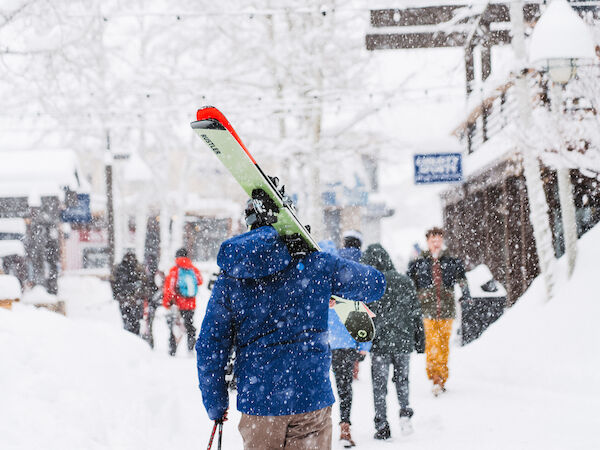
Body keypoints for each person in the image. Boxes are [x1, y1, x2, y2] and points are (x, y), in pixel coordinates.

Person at [196, 192, 386, 450]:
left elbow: (210, 345)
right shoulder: (315, 264)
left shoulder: (232, 277)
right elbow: (375, 284)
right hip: (311, 398)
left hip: (260, 403)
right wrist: (324, 278)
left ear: (249, 223)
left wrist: (216, 404)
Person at [361, 243, 425, 440]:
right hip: (403, 342)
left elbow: (365, 316)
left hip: (380, 344)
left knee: (379, 386)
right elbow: (416, 312)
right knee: (402, 380)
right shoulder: (405, 281)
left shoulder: (372, 285)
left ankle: (382, 424)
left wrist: (362, 342)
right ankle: (405, 412)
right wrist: (420, 341)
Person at [407, 227, 470, 396]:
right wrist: (412, 301)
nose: (436, 243)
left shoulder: (451, 261)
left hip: (447, 309)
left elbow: (462, 279)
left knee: (444, 344)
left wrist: (466, 295)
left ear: (442, 241)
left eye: (438, 239)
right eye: (432, 240)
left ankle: (442, 376)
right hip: (427, 309)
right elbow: (410, 283)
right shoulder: (419, 262)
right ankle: (435, 376)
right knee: (432, 343)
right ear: (427, 241)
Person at [320, 240, 370, 447]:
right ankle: (342, 426)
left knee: (329, 389)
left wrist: (364, 343)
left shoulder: (317, 281)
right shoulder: (345, 282)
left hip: (328, 345)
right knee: (341, 388)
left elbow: (359, 313)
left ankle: (339, 427)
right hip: (334, 344)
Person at [163, 248, 203, 356]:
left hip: (177, 304)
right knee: (189, 325)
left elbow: (169, 288)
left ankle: (172, 350)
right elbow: (200, 280)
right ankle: (190, 348)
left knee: (174, 327)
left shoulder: (174, 270)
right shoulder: (193, 269)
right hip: (190, 304)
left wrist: (167, 302)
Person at [110, 251, 147, 335]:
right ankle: (133, 340)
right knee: (135, 323)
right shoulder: (138, 267)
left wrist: (119, 295)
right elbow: (144, 283)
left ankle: (130, 339)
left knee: (128, 322)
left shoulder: (119, 268)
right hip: (133, 301)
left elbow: (113, 283)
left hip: (126, 300)